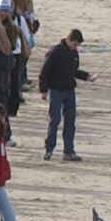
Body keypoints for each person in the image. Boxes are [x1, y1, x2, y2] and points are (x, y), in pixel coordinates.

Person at [39, 29, 93, 160]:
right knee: (55, 120)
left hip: (69, 90)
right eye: (74, 44)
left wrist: (87, 76)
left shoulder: (74, 53)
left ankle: (68, 151)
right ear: (69, 40)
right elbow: (44, 72)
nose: (76, 47)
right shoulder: (55, 52)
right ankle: (49, 149)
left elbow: (74, 71)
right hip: (56, 90)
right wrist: (43, 90)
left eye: (77, 45)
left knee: (70, 121)